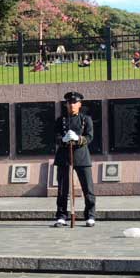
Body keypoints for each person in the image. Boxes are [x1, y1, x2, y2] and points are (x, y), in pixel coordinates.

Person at [53, 91, 96, 227]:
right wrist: (63, 139)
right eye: (69, 103)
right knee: (62, 189)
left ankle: (90, 215)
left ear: (79, 104)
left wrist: (78, 138)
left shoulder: (85, 119)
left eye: (74, 102)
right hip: (64, 157)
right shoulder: (61, 120)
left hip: (82, 156)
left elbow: (89, 137)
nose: (72, 105)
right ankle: (61, 216)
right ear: (66, 104)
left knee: (87, 188)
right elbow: (55, 137)